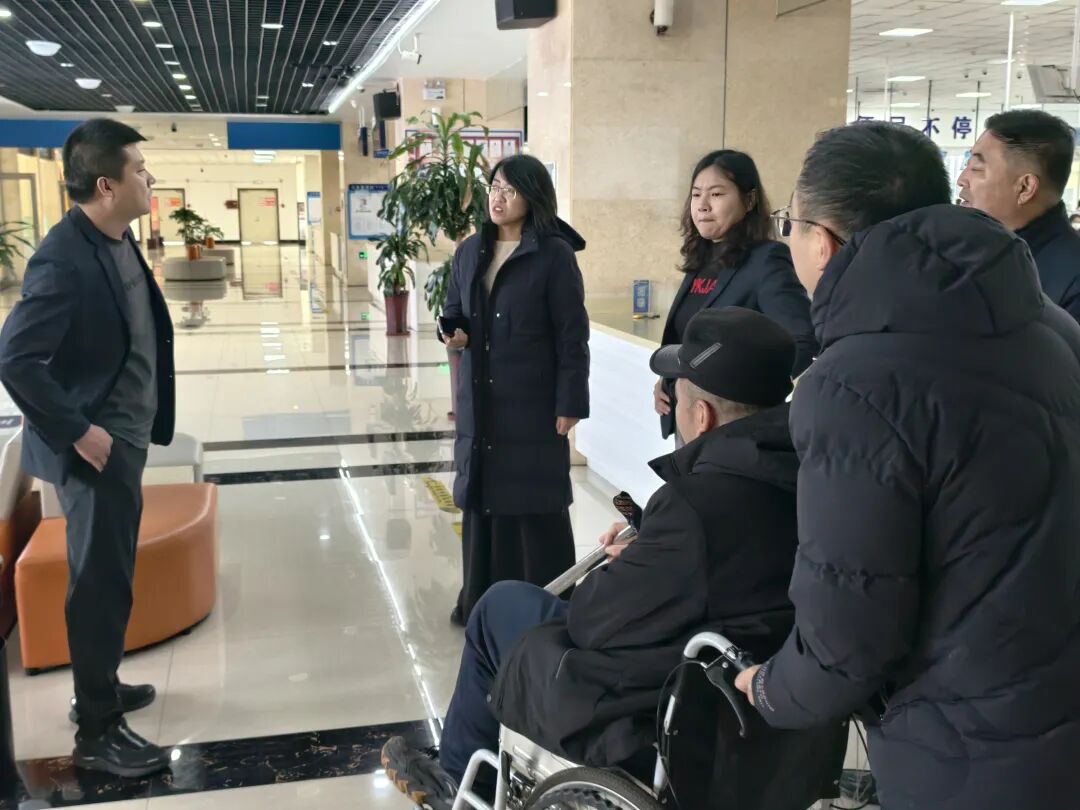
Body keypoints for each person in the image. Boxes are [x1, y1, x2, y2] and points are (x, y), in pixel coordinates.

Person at [732, 121, 1080, 810]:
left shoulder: (852, 384)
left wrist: (771, 689)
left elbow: (849, 633)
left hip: (968, 747)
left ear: (822, 241)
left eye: (788, 225)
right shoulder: (1047, 321)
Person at [382, 308, 846, 810]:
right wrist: (655, 548)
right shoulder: (825, 481)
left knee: (500, 607)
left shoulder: (694, 506)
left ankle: (457, 778)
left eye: (677, 398)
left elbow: (591, 621)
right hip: (771, 713)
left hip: (667, 713)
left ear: (702, 416)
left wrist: (630, 564)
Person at [0, 120, 176, 777]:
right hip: (96, 449)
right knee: (98, 585)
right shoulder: (63, 258)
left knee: (112, 575)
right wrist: (78, 430)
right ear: (106, 185)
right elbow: (16, 359)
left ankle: (100, 685)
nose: (150, 178)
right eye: (140, 169)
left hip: (124, 437)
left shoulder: (117, 238)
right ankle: (98, 731)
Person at [440, 154, 589, 626]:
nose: (497, 198)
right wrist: (452, 332)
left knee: (533, 500)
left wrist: (570, 402)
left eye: (509, 189)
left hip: (531, 402)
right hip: (480, 399)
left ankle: (546, 605)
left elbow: (571, 335)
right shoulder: (469, 251)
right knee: (482, 497)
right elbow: (453, 308)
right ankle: (482, 602)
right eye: (493, 187)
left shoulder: (553, 255)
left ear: (533, 196)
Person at [654, 150, 815, 440]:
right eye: (696, 195)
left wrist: (746, 399)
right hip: (688, 419)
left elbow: (802, 340)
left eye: (716, 194)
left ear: (749, 200)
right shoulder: (702, 259)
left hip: (732, 430)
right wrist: (671, 380)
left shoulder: (767, 260)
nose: (703, 205)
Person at [957, 109, 1080, 322]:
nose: (961, 179)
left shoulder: (1071, 281)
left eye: (977, 168)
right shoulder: (972, 250)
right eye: (967, 164)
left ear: (1025, 188)